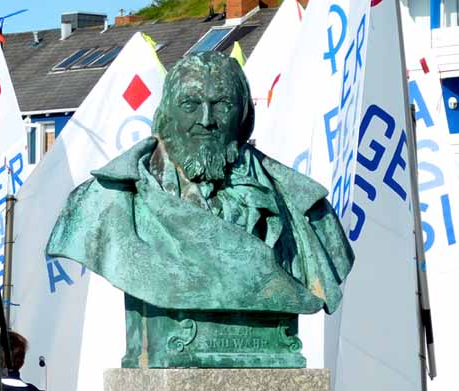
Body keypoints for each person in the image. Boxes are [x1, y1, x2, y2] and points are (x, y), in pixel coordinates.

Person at [46, 51, 354, 367]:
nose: (207, 120)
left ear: (244, 114)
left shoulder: (304, 208)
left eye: (222, 105)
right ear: (166, 114)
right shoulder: (107, 199)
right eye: (190, 105)